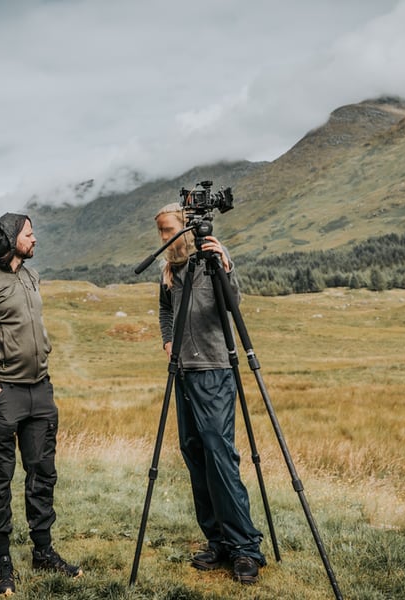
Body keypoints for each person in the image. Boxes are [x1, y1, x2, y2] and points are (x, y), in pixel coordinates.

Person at [0, 212, 82, 596]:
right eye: (29, 234)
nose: (35, 239)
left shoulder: (31, 276)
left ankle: (43, 551)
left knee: (42, 472)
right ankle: (2, 560)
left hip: (40, 391)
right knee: (0, 478)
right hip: (3, 393)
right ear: (12, 238)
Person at [155, 203, 266, 584]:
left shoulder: (212, 259)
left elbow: (233, 304)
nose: (163, 237)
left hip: (215, 370)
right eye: (160, 231)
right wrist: (168, 340)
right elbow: (165, 310)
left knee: (220, 457)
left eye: (168, 229)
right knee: (195, 454)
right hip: (183, 372)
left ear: (186, 228)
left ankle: (245, 548)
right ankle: (217, 540)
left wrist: (226, 267)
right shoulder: (170, 269)